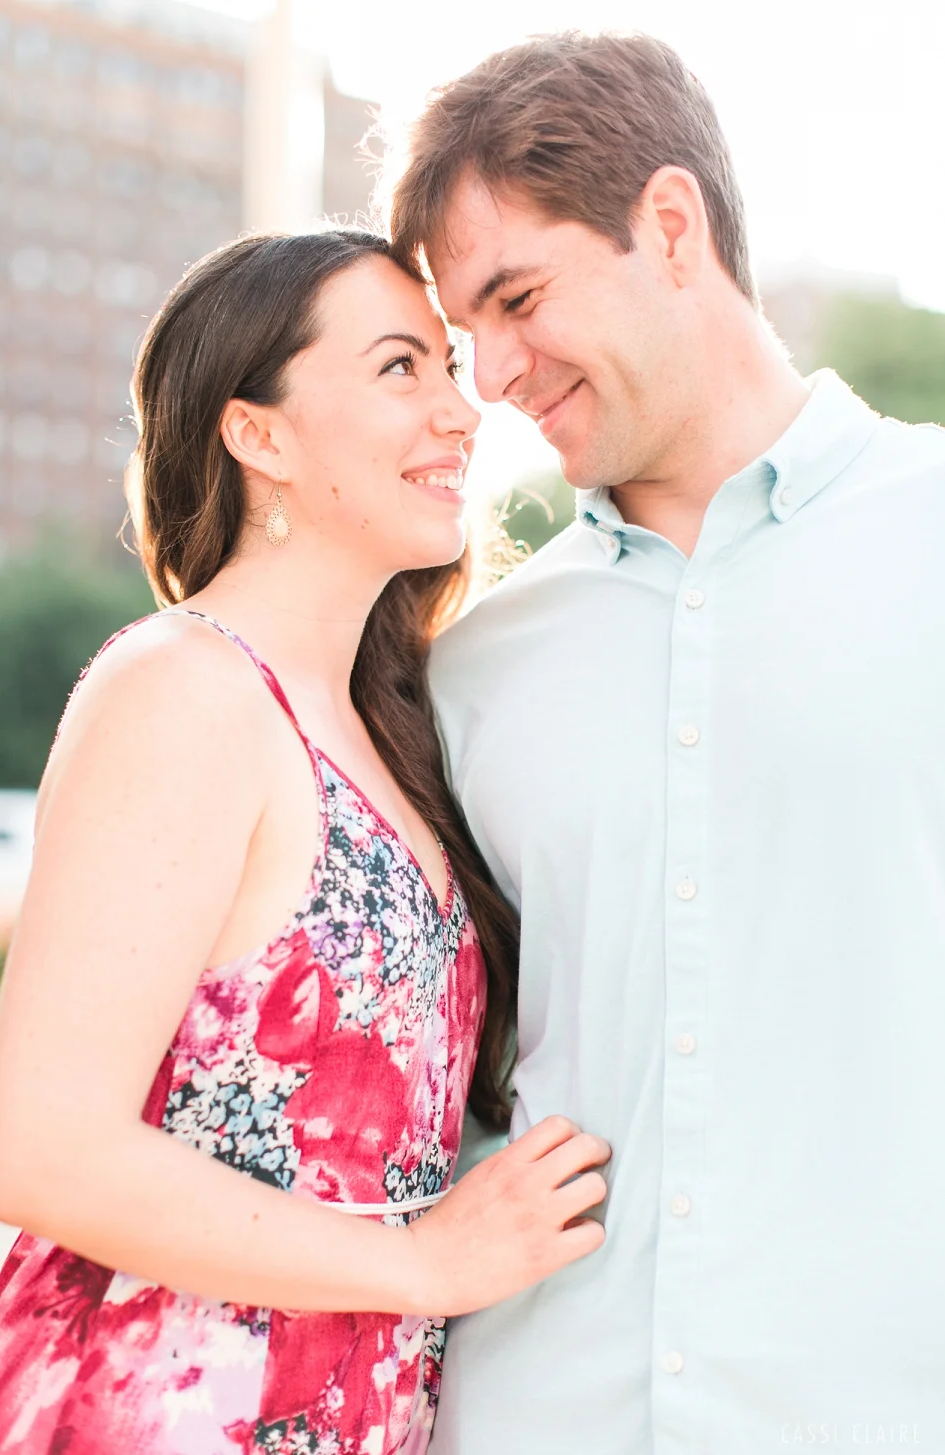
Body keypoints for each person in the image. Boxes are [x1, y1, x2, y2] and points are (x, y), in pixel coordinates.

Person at [389, 30, 945, 1455]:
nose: (491, 375)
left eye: (517, 297)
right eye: (462, 336)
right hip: (536, 1407)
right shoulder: (472, 661)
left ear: (671, 226)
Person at [0, 230, 610, 1455]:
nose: (461, 410)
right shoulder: (186, 690)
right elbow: (43, 1151)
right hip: (161, 1412)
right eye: (398, 369)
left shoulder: (392, 727)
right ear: (256, 435)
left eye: (447, 367)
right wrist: (423, 1262)